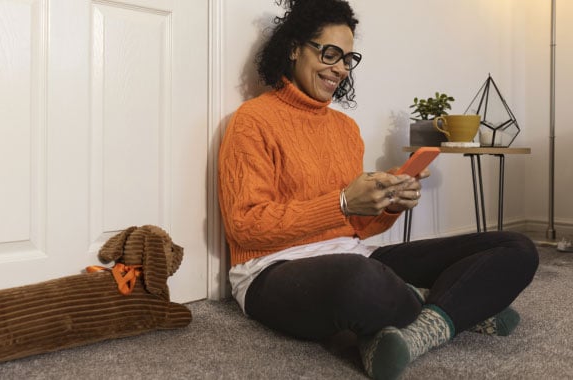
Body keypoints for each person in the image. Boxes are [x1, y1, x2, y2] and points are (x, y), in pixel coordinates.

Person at [217, 1, 539, 379]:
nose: (341, 68)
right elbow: (244, 226)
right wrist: (340, 203)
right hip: (271, 269)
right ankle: (457, 304)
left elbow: (359, 229)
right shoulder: (252, 120)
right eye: (330, 53)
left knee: (516, 248)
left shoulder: (345, 129)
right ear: (293, 48)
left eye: (348, 59)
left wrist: (389, 203)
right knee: (361, 280)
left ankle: (416, 332)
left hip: (356, 253)